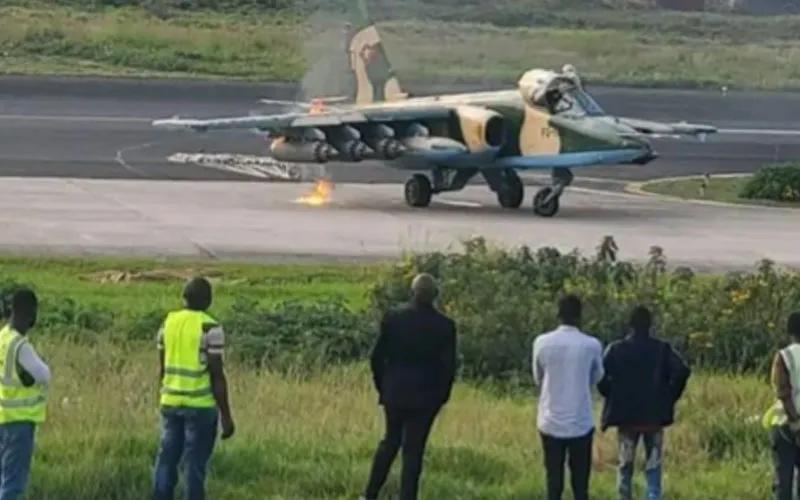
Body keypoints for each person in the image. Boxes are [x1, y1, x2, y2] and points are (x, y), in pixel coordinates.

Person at [362, 273, 457, 500]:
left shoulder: (394, 317)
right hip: (425, 397)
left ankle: (370, 494)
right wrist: (441, 397)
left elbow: (377, 357)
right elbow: (448, 367)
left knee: (389, 442)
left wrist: (383, 386)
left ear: (412, 291)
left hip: (395, 391)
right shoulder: (445, 326)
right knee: (413, 451)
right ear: (435, 295)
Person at [153, 277, 235, 500]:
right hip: (200, 405)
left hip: (170, 401)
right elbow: (216, 374)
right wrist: (226, 415)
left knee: (166, 460)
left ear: (184, 298)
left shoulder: (168, 323)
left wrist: (163, 393)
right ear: (208, 300)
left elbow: (163, 366)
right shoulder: (210, 327)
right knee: (194, 466)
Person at [597, 305, 691, 500]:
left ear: (630, 325)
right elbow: (682, 370)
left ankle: (625, 497)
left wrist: (611, 394)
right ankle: (653, 496)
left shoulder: (616, 349)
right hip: (654, 417)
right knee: (653, 465)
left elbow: (599, 375)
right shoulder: (662, 349)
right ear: (650, 325)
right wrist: (669, 397)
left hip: (626, 417)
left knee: (625, 466)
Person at [532, 294, 604, 500]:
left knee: (553, 480)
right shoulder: (592, 345)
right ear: (580, 316)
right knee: (581, 484)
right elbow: (598, 376)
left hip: (550, 421)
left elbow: (538, 377)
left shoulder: (542, 342)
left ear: (558, 314)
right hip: (580, 422)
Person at [0, 288, 50, 500]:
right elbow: (44, 375)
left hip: (3, 418)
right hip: (19, 424)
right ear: (28, 312)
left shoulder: (2, 337)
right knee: (13, 486)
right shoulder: (20, 345)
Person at [762, 312, 800, 500]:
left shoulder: (784, 356)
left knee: (783, 480)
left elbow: (783, 392)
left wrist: (795, 423)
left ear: (790, 332)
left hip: (784, 425)